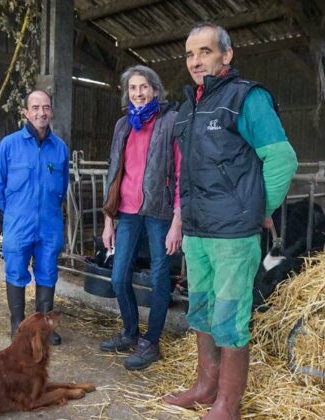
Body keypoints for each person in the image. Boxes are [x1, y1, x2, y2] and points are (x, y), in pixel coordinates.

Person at [162, 23, 298, 419]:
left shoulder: (247, 99)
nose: (196, 60)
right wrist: (180, 220)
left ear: (227, 55)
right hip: (198, 231)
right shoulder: (190, 109)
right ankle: (205, 387)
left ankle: (228, 403)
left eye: (205, 51)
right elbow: (186, 172)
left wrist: (258, 211)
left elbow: (282, 159)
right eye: (190, 54)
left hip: (234, 233)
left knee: (230, 316)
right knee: (201, 310)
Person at [99, 65, 182, 371]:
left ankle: (152, 341)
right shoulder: (123, 125)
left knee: (160, 277)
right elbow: (113, 172)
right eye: (132, 88)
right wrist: (109, 219)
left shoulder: (170, 121)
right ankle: (130, 332)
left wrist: (177, 221)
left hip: (159, 213)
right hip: (127, 213)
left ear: (156, 90)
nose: (138, 93)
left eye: (143, 87)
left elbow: (180, 173)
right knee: (119, 277)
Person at [0, 90, 69, 346]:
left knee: (47, 273)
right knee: (15, 271)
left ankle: (43, 328)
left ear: (51, 111)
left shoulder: (60, 148)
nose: (41, 113)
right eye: (35, 108)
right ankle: (19, 327)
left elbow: (62, 185)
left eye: (45, 108)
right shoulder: (9, 145)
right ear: (25, 112)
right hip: (18, 223)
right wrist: (12, 210)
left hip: (49, 223)